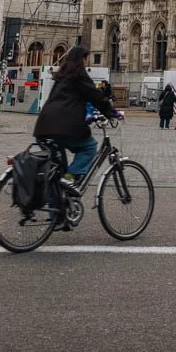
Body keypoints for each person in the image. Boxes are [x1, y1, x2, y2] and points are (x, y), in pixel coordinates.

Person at [31, 47, 119, 227]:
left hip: (42, 128)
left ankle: (57, 216)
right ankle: (70, 180)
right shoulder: (79, 75)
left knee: (56, 171)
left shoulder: (62, 76)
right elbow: (95, 97)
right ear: (82, 60)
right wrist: (112, 112)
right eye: (86, 59)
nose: (87, 63)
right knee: (89, 147)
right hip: (62, 128)